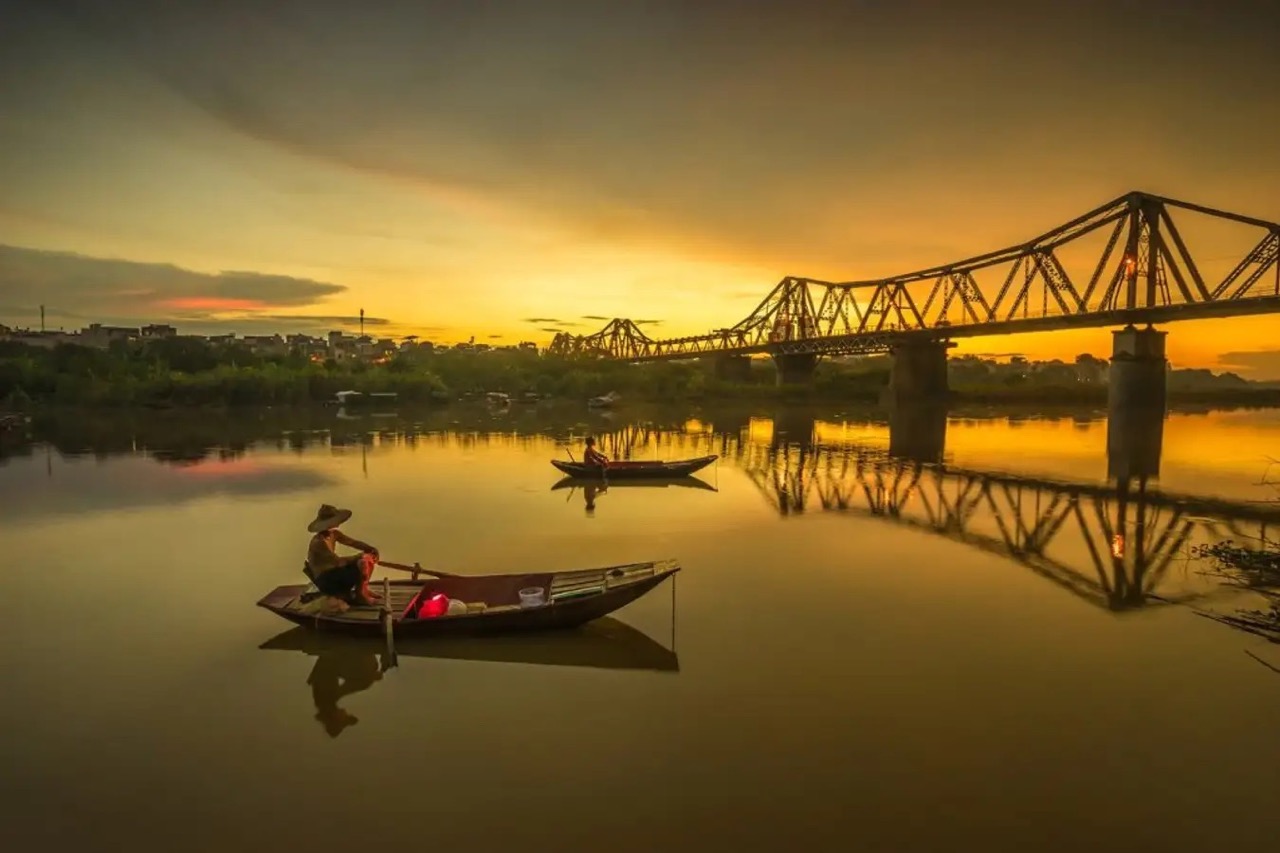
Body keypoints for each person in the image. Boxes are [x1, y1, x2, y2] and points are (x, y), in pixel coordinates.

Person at [305, 504, 381, 606]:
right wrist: (360, 556)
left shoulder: (333, 534)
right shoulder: (319, 542)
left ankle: (364, 590)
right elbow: (338, 562)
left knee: (366, 559)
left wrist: (370, 549)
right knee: (362, 563)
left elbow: (352, 542)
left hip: (334, 571)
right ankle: (360, 595)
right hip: (326, 579)